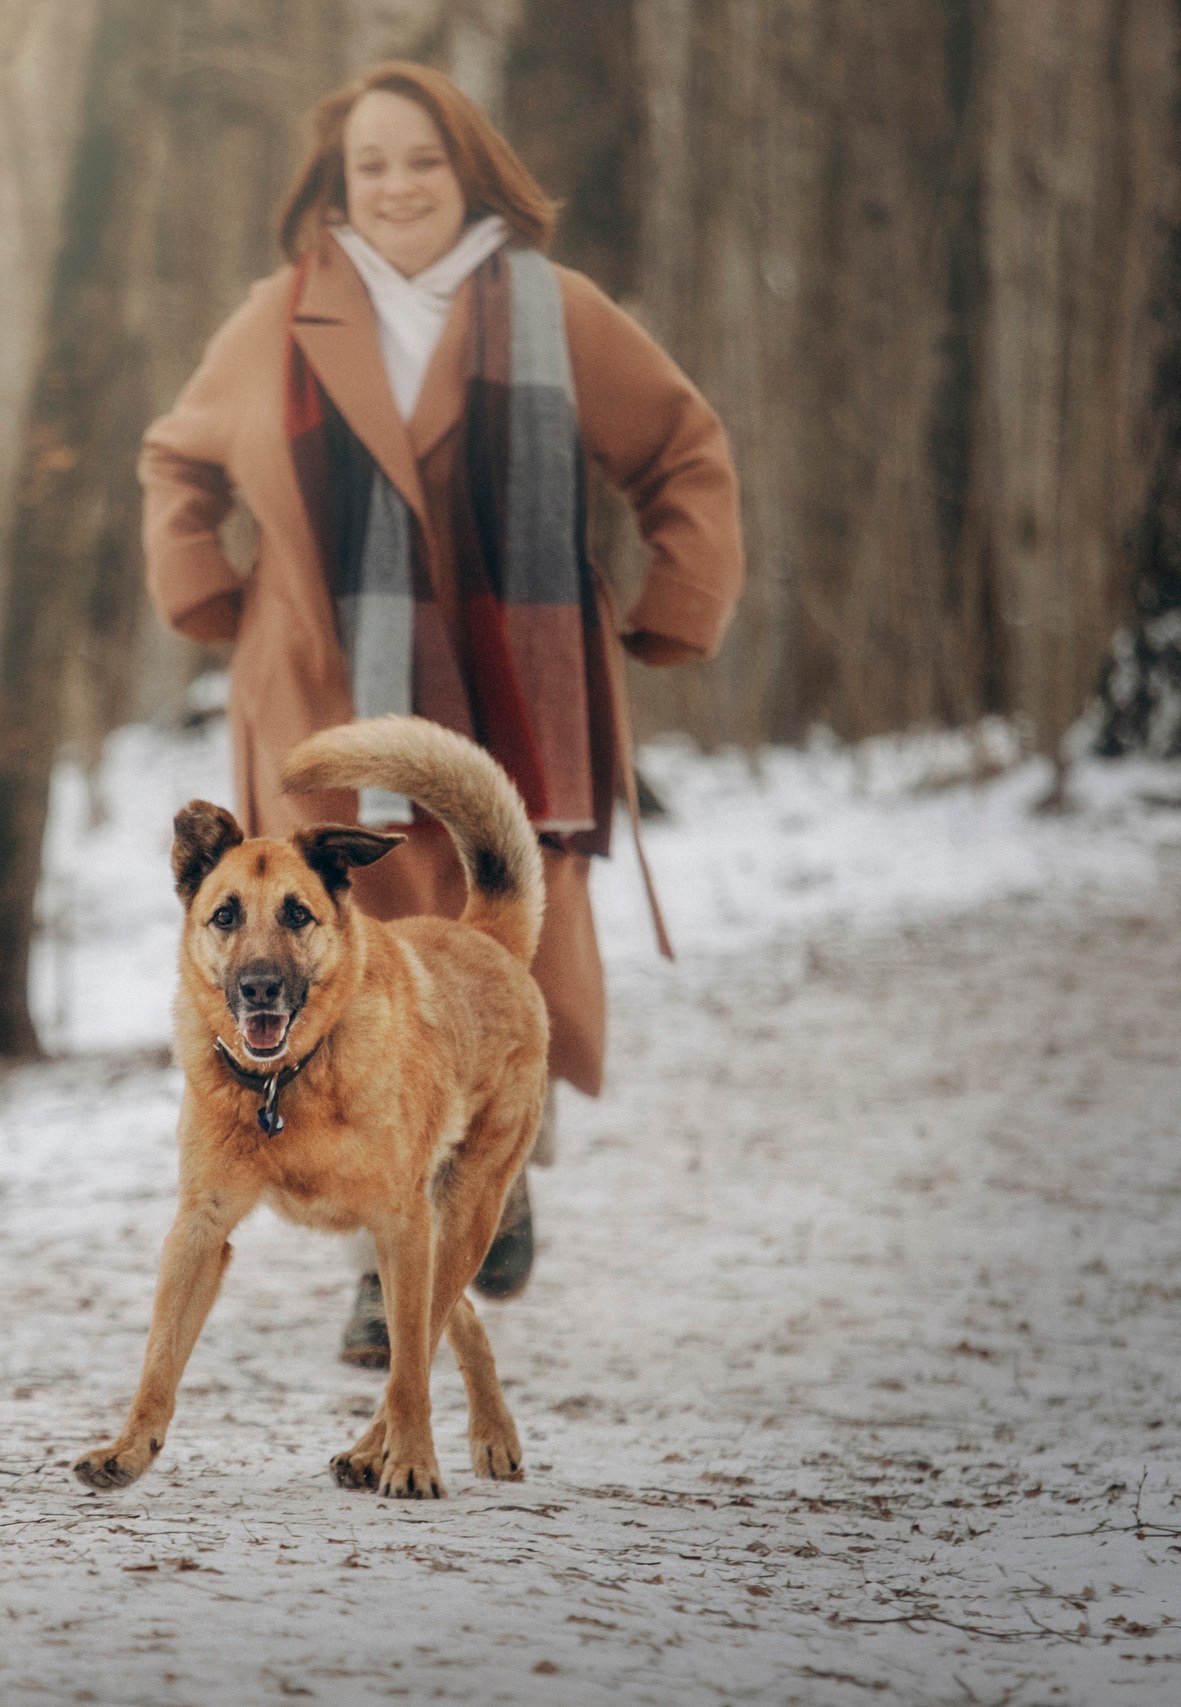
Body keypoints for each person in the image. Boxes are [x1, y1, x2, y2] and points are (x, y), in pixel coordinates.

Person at [138, 62, 744, 1364]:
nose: (398, 186)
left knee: (494, 940)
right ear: (338, 186)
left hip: (514, 690)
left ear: (468, 170)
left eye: (422, 160)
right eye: (371, 166)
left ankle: (499, 1162)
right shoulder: (278, 320)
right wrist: (204, 584)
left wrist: (678, 599)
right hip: (324, 699)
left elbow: (683, 447)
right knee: (337, 976)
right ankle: (383, 1268)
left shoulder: (557, 312)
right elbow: (178, 460)